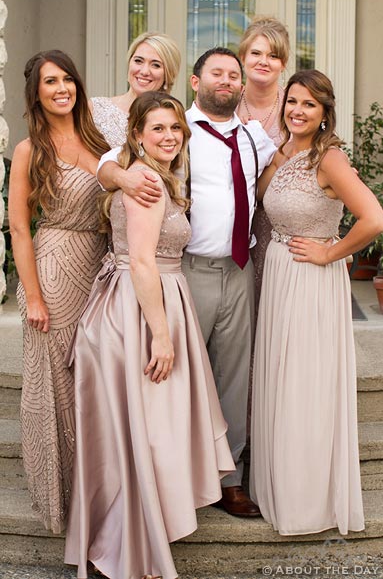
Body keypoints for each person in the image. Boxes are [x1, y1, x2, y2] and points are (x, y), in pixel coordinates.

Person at [97, 47, 277, 518]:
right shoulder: (176, 130)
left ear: (241, 87)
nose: (227, 80)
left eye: (234, 75)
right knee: (174, 381)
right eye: (216, 73)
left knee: (234, 380)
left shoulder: (255, 137)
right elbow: (106, 161)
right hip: (185, 271)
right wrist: (121, 175)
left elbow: (293, 170)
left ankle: (230, 479)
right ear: (195, 82)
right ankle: (177, 482)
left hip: (239, 269)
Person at [64, 91, 235, 579]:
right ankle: (135, 552)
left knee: (146, 433)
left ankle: (137, 543)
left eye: (175, 128)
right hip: (140, 313)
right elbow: (140, 261)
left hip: (147, 302)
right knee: (148, 433)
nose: (168, 136)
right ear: (136, 134)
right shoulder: (146, 182)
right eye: (157, 128)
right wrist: (161, 336)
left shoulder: (155, 178)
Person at [250, 69, 383, 535]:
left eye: (309, 103)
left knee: (303, 386)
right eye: (292, 101)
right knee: (279, 380)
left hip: (311, 277)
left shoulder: (330, 159)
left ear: (325, 111)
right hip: (279, 276)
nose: (297, 110)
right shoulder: (286, 150)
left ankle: (306, 500)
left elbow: (374, 219)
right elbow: (261, 195)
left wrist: (331, 251)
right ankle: (277, 486)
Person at [8, 50, 110, 533]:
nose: (62, 88)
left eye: (68, 78)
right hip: (53, 268)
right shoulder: (30, 150)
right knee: (59, 386)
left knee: (97, 381)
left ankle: (100, 496)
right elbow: (21, 230)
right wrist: (32, 296)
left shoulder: (99, 139)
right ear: (37, 92)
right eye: (51, 82)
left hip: (103, 269)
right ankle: (64, 503)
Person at [238, 16, 290, 307]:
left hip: (279, 225)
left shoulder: (294, 107)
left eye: (273, 56)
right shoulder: (225, 105)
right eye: (256, 53)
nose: (263, 61)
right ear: (243, 56)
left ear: (283, 64)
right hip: (231, 224)